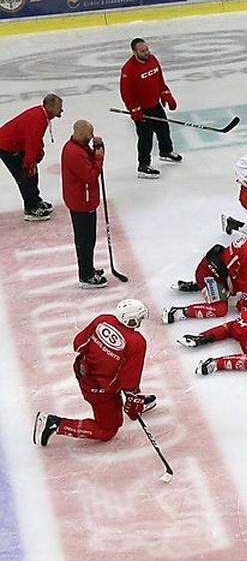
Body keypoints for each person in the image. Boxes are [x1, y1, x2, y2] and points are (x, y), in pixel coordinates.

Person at [34, 299, 154, 446]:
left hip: (82, 372)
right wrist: (131, 395)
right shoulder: (137, 342)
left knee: (113, 400)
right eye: (140, 318)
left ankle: (126, 405)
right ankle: (55, 423)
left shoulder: (103, 320)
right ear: (132, 320)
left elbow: (78, 344)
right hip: (101, 389)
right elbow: (130, 380)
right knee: (107, 430)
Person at [162, 220, 247, 323]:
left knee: (235, 288)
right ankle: (178, 312)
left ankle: (201, 285)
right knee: (220, 309)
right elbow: (244, 278)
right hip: (209, 274)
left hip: (217, 272)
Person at [119, 37, 180, 178]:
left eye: (147, 49)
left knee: (163, 128)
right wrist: (134, 109)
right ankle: (143, 165)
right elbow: (126, 93)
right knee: (146, 138)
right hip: (142, 110)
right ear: (134, 52)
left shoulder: (153, 60)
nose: (146, 53)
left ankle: (165, 151)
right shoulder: (128, 69)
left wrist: (165, 94)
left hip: (155, 104)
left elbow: (160, 80)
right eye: (142, 51)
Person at [60, 119, 107, 288]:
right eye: (89, 135)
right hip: (81, 202)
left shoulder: (78, 146)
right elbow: (90, 175)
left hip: (83, 199)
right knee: (85, 240)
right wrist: (100, 158)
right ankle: (86, 275)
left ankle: (88, 269)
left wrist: (98, 149)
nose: (91, 137)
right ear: (80, 134)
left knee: (88, 239)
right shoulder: (75, 153)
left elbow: (91, 162)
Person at [0, 93, 62, 221]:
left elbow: (35, 139)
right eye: (59, 107)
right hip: (7, 147)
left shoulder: (42, 115)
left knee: (31, 175)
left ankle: (36, 200)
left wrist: (37, 154)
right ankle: (31, 208)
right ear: (50, 107)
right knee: (24, 177)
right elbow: (32, 142)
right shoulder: (38, 118)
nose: (61, 110)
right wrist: (29, 163)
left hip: (16, 145)